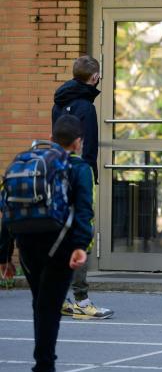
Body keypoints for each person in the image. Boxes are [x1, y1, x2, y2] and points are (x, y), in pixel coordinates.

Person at [0, 115, 95, 372]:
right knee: (49, 306)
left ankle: (43, 361)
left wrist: (4, 254)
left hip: (27, 241)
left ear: (52, 139)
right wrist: (80, 245)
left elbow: (7, 207)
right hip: (60, 244)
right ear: (78, 142)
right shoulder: (80, 168)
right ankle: (44, 365)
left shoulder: (27, 162)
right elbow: (84, 211)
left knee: (40, 302)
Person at [52, 55, 113, 320]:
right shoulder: (86, 107)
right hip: (79, 173)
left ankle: (60, 296)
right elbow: (88, 147)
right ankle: (82, 300)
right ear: (95, 77)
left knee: (61, 234)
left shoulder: (59, 102)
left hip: (57, 169)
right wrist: (88, 175)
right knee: (81, 234)